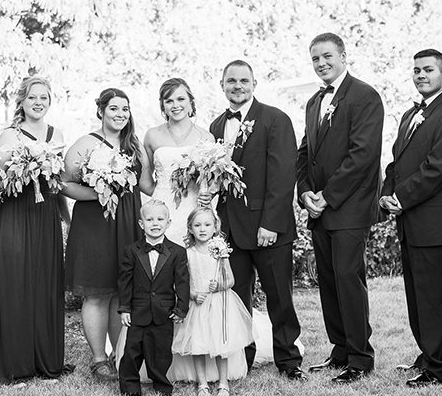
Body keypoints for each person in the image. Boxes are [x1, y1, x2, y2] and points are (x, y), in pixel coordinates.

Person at [200, 59, 303, 380]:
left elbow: (284, 176)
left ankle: (288, 360)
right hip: (230, 230)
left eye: (244, 80)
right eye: (231, 80)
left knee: (279, 298)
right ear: (222, 85)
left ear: (254, 84)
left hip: (268, 228)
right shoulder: (216, 127)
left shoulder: (276, 120)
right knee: (237, 299)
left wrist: (270, 224)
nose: (237, 86)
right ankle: (242, 359)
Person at [296, 32, 384, 383]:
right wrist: (305, 193)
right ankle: (340, 349)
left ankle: (360, 358)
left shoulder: (365, 96)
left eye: (327, 56)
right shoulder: (314, 101)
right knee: (329, 282)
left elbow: (362, 156)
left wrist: (327, 197)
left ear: (344, 56)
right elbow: (304, 153)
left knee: (349, 280)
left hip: (348, 207)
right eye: (315, 58)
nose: (321, 63)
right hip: (318, 208)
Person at [379, 48, 442, 387]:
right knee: (417, 295)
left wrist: (401, 197)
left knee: (435, 298)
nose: (421, 75)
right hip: (410, 222)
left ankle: (438, 367)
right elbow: (396, 164)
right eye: (416, 70)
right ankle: (426, 353)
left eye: (428, 69)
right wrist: (387, 192)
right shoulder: (409, 114)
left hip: (435, 224)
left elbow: (439, 169)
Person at [0, 76, 74, 384]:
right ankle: (14, 365)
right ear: (22, 102)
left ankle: (45, 361)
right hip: (15, 218)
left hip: (45, 219)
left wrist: (67, 221)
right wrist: (22, 169)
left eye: (44, 98)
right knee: (16, 286)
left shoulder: (57, 134)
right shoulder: (8, 136)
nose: (38, 102)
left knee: (45, 287)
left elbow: (60, 184)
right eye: (32, 98)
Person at [63, 88, 145, 380]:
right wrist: (97, 192)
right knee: (98, 293)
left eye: (125, 108)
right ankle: (99, 359)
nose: (120, 114)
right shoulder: (86, 143)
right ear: (101, 111)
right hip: (95, 224)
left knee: (120, 291)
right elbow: (63, 184)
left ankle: (118, 354)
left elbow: (147, 184)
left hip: (127, 224)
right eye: (113, 108)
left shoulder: (134, 145)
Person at [168, 206, 253, 396]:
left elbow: (231, 280)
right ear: (190, 228)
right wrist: (192, 294)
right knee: (197, 345)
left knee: (221, 344)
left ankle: (223, 383)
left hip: (219, 305)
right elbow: (181, 283)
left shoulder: (220, 251)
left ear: (215, 227)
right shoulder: (187, 253)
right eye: (197, 225)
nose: (202, 229)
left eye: (207, 224)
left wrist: (220, 286)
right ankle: (202, 383)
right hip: (197, 305)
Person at [117, 199, 190, 396]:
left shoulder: (178, 252)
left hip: (164, 312)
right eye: (149, 219)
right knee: (132, 351)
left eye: (160, 219)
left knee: (161, 352)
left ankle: (161, 384)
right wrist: (124, 308)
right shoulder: (131, 251)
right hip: (138, 311)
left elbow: (182, 283)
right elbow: (125, 282)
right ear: (141, 224)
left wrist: (181, 309)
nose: (155, 223)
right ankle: (130, 386)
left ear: (168, 222)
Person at [141, 78, 214, 245]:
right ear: (163, 106)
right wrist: (163, 192)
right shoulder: (152, 135)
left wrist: (208, 193)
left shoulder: (206, 137)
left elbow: (212, 181)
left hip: (196, 211)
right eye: (169, 101)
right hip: (162, 210)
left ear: (191, 102)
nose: (175, 105)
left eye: (181, 99)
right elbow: (145, 181)